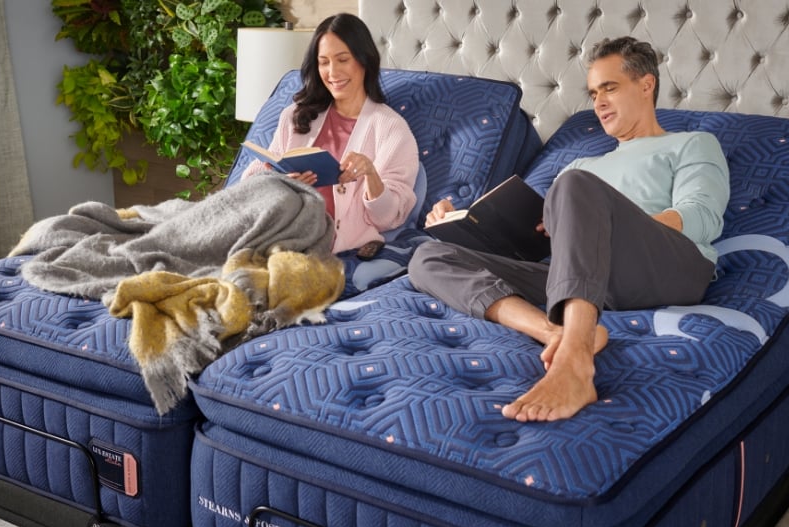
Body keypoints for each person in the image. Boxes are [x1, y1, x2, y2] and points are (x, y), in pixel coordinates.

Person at [408, 36, 730, 423]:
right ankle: (551, 332)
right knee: (426, 257)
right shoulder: (580, 166)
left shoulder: (692, 143)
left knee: (575, 186)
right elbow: (550, 235)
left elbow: (701, 217)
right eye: (593, 93)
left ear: (646, 85)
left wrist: (603, 223)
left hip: (669, 266)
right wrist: (459, 220)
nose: (599, 103)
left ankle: (575, 363)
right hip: (587, 276)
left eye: (609, 88)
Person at [241, 13, 419, 254]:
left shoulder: (391, 128)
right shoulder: (296, 115)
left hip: (317, 240)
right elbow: (252, 184)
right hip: (277, 223)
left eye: (342, 59)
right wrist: (282, 182)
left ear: (364, 60)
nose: (332, 72)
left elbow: (388, 218)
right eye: (323, 62)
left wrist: (370, 173)